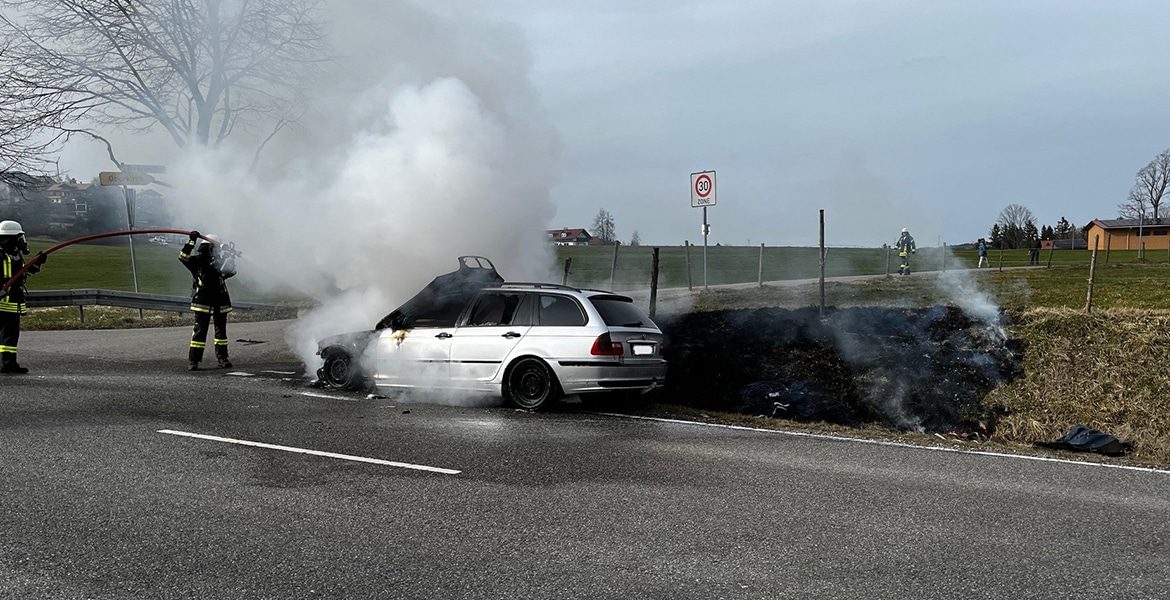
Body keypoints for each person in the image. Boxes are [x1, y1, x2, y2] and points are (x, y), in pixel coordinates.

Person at [179, 230, 236, 371]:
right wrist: (191, 241)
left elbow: (230, 271)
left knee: (221, 333)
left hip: (219, 301)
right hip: (203, 301)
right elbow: (183, 256)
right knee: (199, 331)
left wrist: (229, 256)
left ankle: (222, 358)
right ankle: (194, 361)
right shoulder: (198, 261)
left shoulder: (220, 261)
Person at [0, 220, 46, 374]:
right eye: (19, 237)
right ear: (11, 238)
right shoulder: (1, 255)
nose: (22, 241)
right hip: (3, 302)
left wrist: (37, 263)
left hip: (12, 302)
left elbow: (22, 272)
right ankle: (6, 363)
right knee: (7, 335)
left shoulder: (14, 254)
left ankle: (8, 363)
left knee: (10, 336)